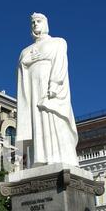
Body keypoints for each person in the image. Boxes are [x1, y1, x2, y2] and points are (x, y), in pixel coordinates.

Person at [16, 13, 79, 167]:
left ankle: (60, 157)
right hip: (32, 92)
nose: (35, 24)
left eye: (38, 21)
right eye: (32, 22)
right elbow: (21, 72)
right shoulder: (25, 51)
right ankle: (39, 159)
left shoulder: (57, 42)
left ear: (45, 24)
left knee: (53, 119)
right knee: (37, 123)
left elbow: (60, 64)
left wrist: (54, 85)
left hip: (49, 91)